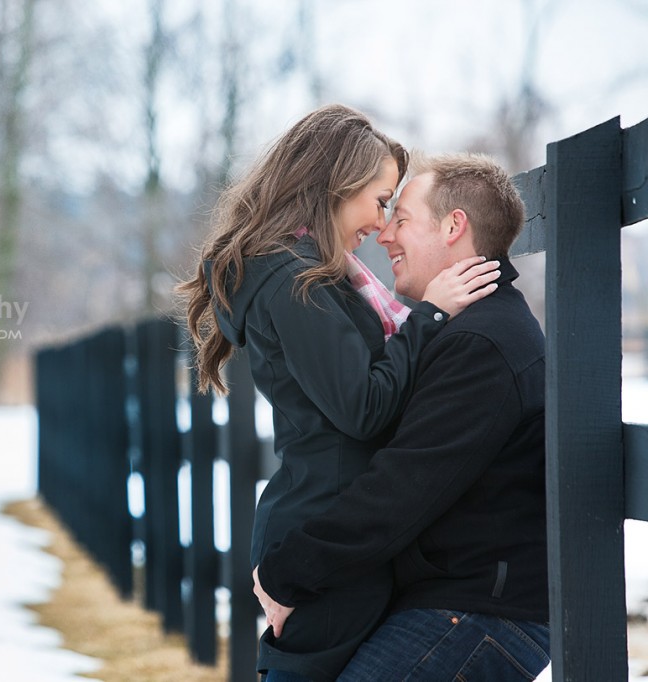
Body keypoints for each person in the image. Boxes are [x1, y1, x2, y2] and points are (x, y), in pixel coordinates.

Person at [178, 104, 500, 681]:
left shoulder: (313, 274)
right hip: (323, 537)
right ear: (334, 184)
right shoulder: (291, 280)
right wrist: (428, 317)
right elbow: (364, 408)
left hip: (334, 528)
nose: (381, 227)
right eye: (380, 201)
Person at [252, 152, 550, 681]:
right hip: (455, 599)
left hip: (483, 611)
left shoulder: (485, 343)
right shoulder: (468, 328)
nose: (384, 235)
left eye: (402, 218)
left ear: (454, 226)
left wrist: (288, 569)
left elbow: (401, 488)